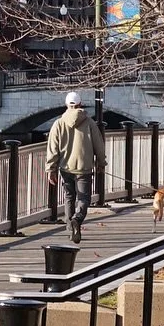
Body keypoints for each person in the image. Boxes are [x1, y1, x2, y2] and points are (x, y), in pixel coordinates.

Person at [46, 90, 106, 243]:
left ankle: (69, 228)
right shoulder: (90, 123)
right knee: (84, 198)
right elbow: (99, 145)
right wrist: (101, 162)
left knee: (69, 197)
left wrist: (51, 169)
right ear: (80, 104)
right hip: (84, 167)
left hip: (66, 167)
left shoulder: (58, 123)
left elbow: (53, 148)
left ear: (66, 105)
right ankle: (77, 219)